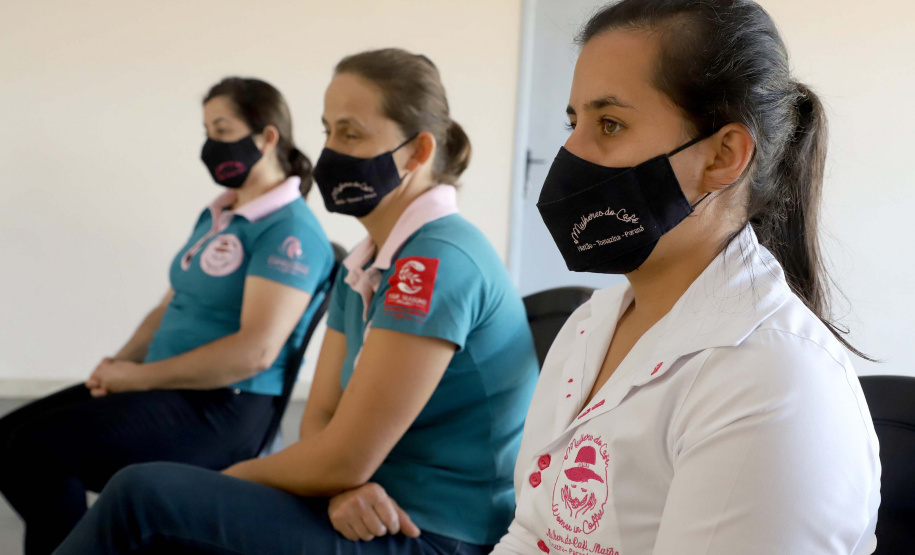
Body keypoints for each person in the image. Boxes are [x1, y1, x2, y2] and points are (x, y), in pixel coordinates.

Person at [54, 49, 540, 555]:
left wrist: (239, 476)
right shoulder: (366, 262)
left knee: (143, 497)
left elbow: (343, 457)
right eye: (327, 130)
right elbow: (321, 417)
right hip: (363, 503)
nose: (329, 150)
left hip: (430, 532)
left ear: (417, 152)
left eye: (350, 133)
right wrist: (338, 484)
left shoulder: (434, 264)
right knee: (152, 498)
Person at [492, 1, 881, 554]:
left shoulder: (771, 376)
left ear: (723, 156)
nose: (570, 154)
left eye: (610, 124)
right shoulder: (590, 325)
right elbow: (531, 533)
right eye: (572, 122)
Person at [0, 77, 334, 555]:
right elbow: (168, 306)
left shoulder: (289, 231)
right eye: (206, 130)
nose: (210, 144)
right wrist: (115, 368)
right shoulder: (219, 213)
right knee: (9, 439)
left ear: (267, 137)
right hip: (168, 387)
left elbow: (255, 352)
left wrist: (138, 378)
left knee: (40, 451)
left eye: (222, 129)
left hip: (222, 407)